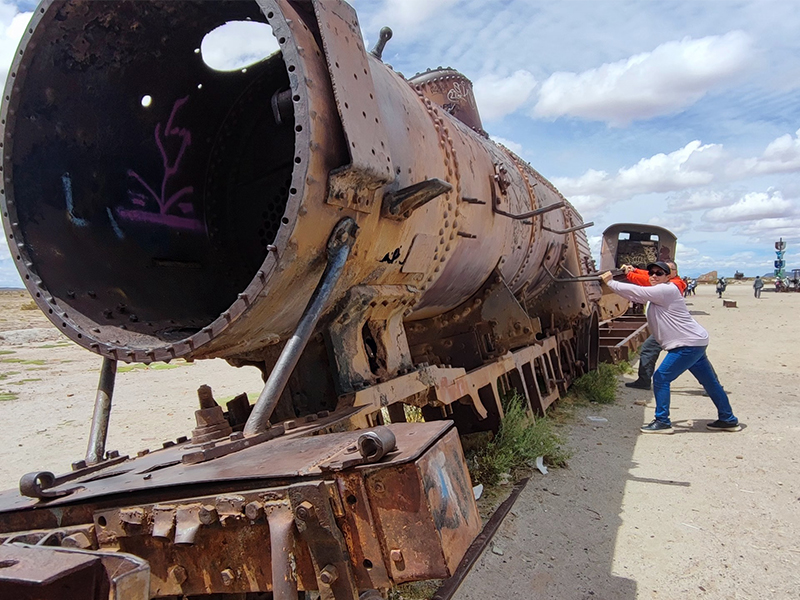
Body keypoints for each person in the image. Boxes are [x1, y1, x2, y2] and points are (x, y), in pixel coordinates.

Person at [601, 261, 740, 434]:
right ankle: (728, 419)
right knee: (709, 382)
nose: (653, 276)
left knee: (661, 378)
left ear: (668, 276)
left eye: (659, 273)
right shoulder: (660, 291)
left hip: (687, 345)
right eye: (651, 272)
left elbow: (638, 291)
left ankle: (662, 421)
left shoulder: (666, 289)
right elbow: (637, 295)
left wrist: (610, 282)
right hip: (694, 342)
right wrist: (632, 272)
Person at [620, 261, 685, 391]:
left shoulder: (673, 285)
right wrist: (635, 269)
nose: (656, 275)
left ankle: (643, 381)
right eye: (654, 272)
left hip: (669, 329)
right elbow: (649, 276)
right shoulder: (667, 281)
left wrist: (629, 275)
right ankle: (643, 380)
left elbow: (647, 282)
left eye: (662, 271)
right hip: (668, 328)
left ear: (672, 273)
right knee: (694, 357)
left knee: (691, 357)